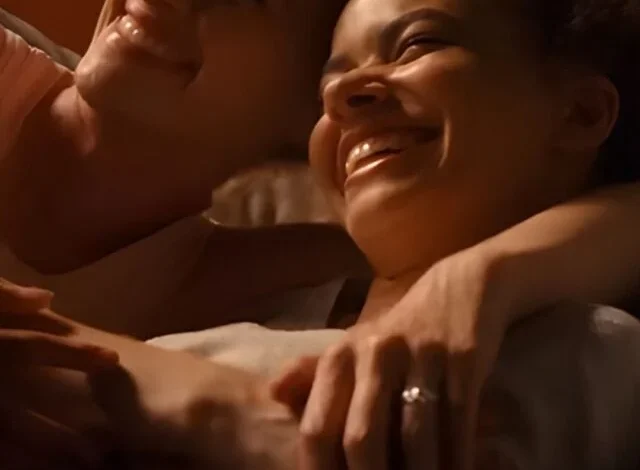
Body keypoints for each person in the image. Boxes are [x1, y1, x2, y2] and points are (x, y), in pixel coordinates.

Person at [1, 0, 640, 468]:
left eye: (418, 45)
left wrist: (482, 277)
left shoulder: (577, 349)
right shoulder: (241, 327)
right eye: (335, 75)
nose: (347, 94)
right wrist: (219, 406)